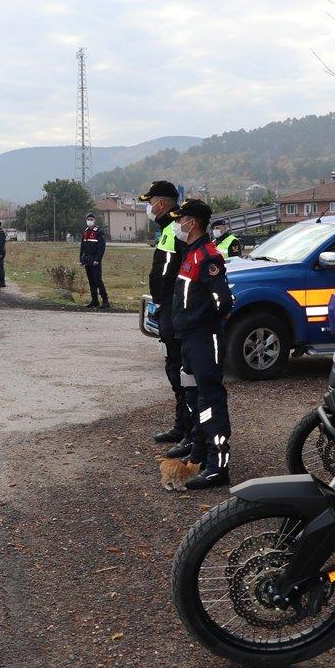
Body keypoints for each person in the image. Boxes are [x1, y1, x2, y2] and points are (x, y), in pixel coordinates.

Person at [170, 199, 235, 490]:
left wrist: (203, 321)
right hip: (188, 339)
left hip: (204, 339)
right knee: (194, 398)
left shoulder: (208, 256)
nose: (177, 224)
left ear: (192, 222)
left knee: (210, 402)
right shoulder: (190, 253)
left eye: (180, 219)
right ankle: (198, 453)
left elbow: (223, 301)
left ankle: (217, 465)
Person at [137, 181, 198, 452]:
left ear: (161, 203)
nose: (149, 208)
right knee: (172, 367)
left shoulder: (176, 230)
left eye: (150, 202)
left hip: (175, 308)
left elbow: (182, 272)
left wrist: (174, 305)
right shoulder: (166, 229)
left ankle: (191, 431)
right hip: (165, 306)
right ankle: (181, 424)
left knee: (182, 370)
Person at [79, 212, 109, 308]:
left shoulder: (99, 231)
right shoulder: (85, 232)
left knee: (98, 281)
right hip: (87, 261)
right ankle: (94, 300)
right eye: (88, 219)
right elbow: (82, 247)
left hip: (95, 261)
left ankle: (105, 300)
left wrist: (97, 259)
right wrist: (81, 260)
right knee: (91, 281)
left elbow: (101, 248)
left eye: (91, 219)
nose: (90, 221)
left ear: (94, 220)